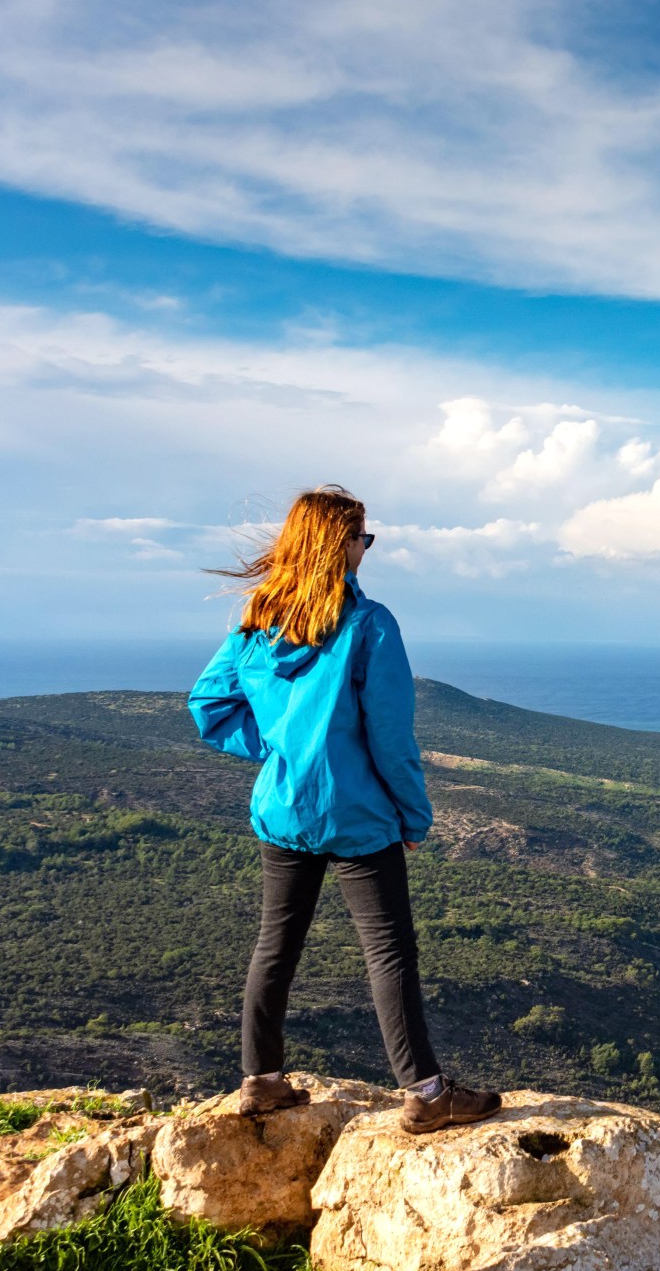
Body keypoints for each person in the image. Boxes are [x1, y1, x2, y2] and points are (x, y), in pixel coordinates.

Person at [187, 485, 501, 1134]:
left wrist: (281, 757)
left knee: (276, 943)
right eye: (364, 537)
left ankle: (262, 1081)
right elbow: (391, 739)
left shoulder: (257, 620)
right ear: (342, 545)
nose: (368, 548)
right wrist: (413, 819)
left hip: (284, 814)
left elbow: (209, 707)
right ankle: (425, 1092)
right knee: (388, 953)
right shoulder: (369, 625)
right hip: (359, 819)